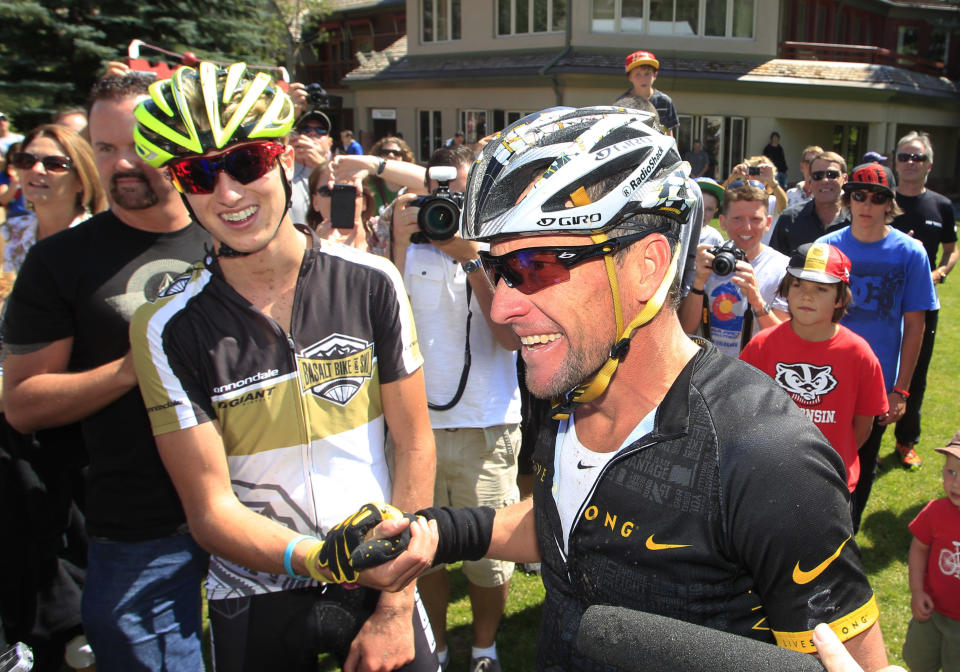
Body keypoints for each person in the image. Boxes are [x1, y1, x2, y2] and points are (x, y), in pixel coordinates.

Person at [361, 106, 890, 671]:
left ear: (646, 266)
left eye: (535, 265)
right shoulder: (572, 389)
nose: (505, 303)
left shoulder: (769, 458)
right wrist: (435, 532)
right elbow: (565, 522)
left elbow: (854, 662)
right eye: (496, 270)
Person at [128, 61, 438, 672]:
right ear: (180, 186)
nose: (229, 193)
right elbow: (210, 508)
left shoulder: (373, 281)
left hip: (383, 577)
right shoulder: (165, 326)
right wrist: (323, 558)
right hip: (254, 591)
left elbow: (414, 444)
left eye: (246, 162)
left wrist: (396, 604)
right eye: (198, 173)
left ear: (285, 160)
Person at [1, 72, 211, 670]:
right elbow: (23, 402)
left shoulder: (232, 234)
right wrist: (131, 368)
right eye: (105, 147)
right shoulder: (60, 260)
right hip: (133, 523)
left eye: (140, 146)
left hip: (257, 504)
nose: (122, 165)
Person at [392, 145, 521, 672]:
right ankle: (438, 647)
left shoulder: (502, 247)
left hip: (485, 425)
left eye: (461, 197)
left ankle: (485, 647)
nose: (447, 209)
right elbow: (375, 324)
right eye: (440, 198)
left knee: (489, 557)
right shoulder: (403, 241)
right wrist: (399, 241)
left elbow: (511, 336)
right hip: (413, 427)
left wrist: (471, 258)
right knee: (420, 554)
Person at [816, 162, 939, 532]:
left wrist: (901, 389)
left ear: (890, 204)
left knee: (862, 463)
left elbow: (915, 327)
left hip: (878, 382)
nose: (867, 204)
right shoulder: (826, 248)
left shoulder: (910, 252)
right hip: (824, 379)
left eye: (877, 197)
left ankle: (844, 539)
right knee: (818, 461)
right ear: (848, 200)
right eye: (858, 196)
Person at [740, 242, 888, 496]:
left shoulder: (858, 354)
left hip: (830, 481)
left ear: (840, 299)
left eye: (821, 288)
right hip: (768, 476)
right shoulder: (762, 345)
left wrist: (836, 456)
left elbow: (863, 426)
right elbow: (742, 410)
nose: (806, 296)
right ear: (786, 290)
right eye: (798, 284)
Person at [890, 131, 958, 471]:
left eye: (917, 157)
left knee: (914, 374)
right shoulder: (883, 201)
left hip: (923, 302)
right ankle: (862, 433)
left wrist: (941, 272)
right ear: (895, 161)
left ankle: (906, 441)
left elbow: (951, 248)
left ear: (929, 164)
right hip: (883, 302)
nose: (910, 163)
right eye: (904, 156)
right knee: (873, 367)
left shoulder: (941, 205)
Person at [679, 180, 790, 354]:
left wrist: (757, 300)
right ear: (723, 222)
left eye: (755, 219)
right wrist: (698, 282)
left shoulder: (782, 268)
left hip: (755, 373)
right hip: (709, 370)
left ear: (768, 223)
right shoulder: (708, 261)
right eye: (737, 219)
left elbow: (784, 341)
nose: (746, 227)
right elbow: (685, 330)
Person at [4, 125, 107, 272]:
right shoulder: (9, 234)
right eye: (26, 160)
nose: (36, 170)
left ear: (81, 180)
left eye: (55, 164)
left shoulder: (102, 242)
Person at [902, 429, 960, 672]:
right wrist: (916, 590)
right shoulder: (935, 512)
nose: (956, 483)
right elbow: (919, 549)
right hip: (931, 612)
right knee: (918, 663)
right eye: (951, 471)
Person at [771, 151, 850, 255]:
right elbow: (776, 264)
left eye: (832, 175)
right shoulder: (789, 219)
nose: (825, 180)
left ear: (844, 179)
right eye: (818, 176)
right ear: (810, 182)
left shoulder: (856, 221)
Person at [616, 50, 678, 135]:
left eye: (647, 74)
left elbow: (669, 135)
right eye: (638, 74)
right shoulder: (622, 104)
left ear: (655, 75)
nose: (643, 79)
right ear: (629, 77)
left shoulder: (665, 102)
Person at [289, 108, 333, 226]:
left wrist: (320, 166)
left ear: (329, 143)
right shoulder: (285, 170)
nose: (312, 133)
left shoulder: (339, 170)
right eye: (306, 129)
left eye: (320, 130)